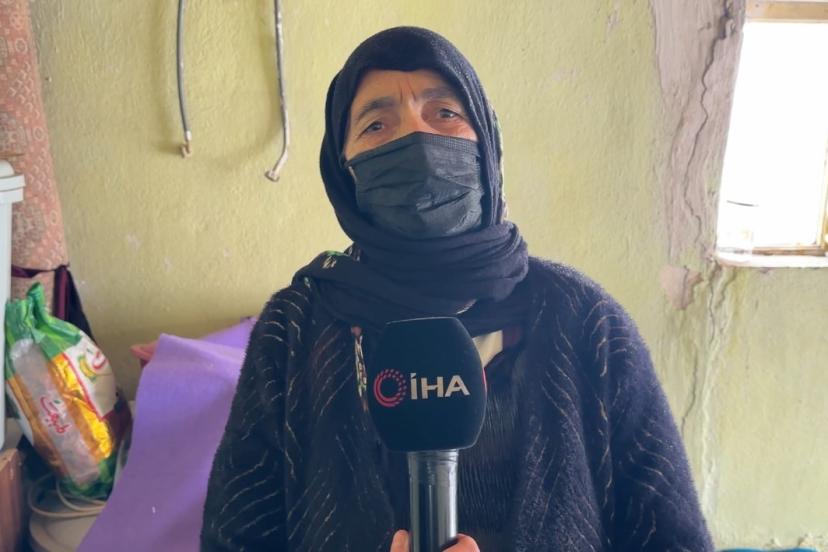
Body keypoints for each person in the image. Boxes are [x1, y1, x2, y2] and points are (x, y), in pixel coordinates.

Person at [201, 26, 714, 551]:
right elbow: (234, 539)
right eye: (376, 124)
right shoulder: (294, 329)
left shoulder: (587, 321)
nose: (416, 139)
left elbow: (674, 540)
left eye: (445, 113)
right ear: (344, 169)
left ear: (487, 143)